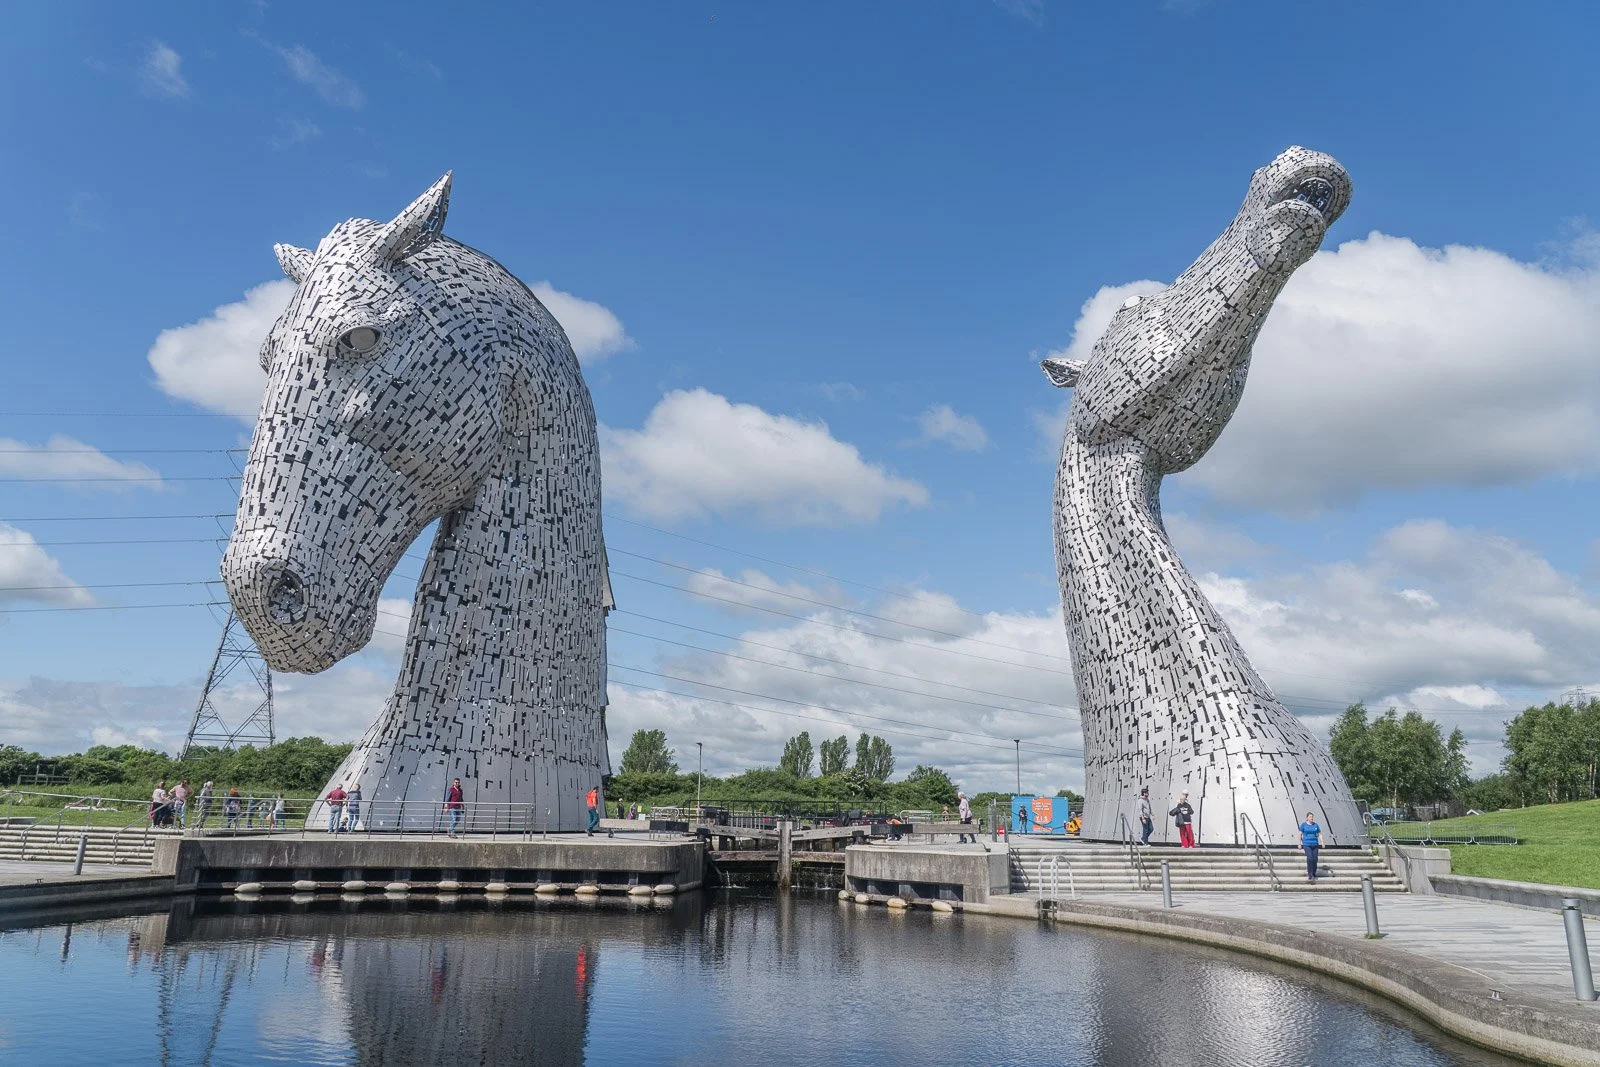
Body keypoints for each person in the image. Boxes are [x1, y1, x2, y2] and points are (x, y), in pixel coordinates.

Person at [1299, 811, 1322, 882]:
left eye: (1312, 817)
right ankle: (1310, 874)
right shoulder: (1303, 825)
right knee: (1310, 858)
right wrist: (1299, 844)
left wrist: (1322, 841)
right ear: (1307, 818)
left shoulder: (1315, 825)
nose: (1312, 818)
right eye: (1310, 817)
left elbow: (1319, 833)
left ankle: (1314, 872)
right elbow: (1299, 834)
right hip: (1307, 844)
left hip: (1315, 844)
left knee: (1315, 859)